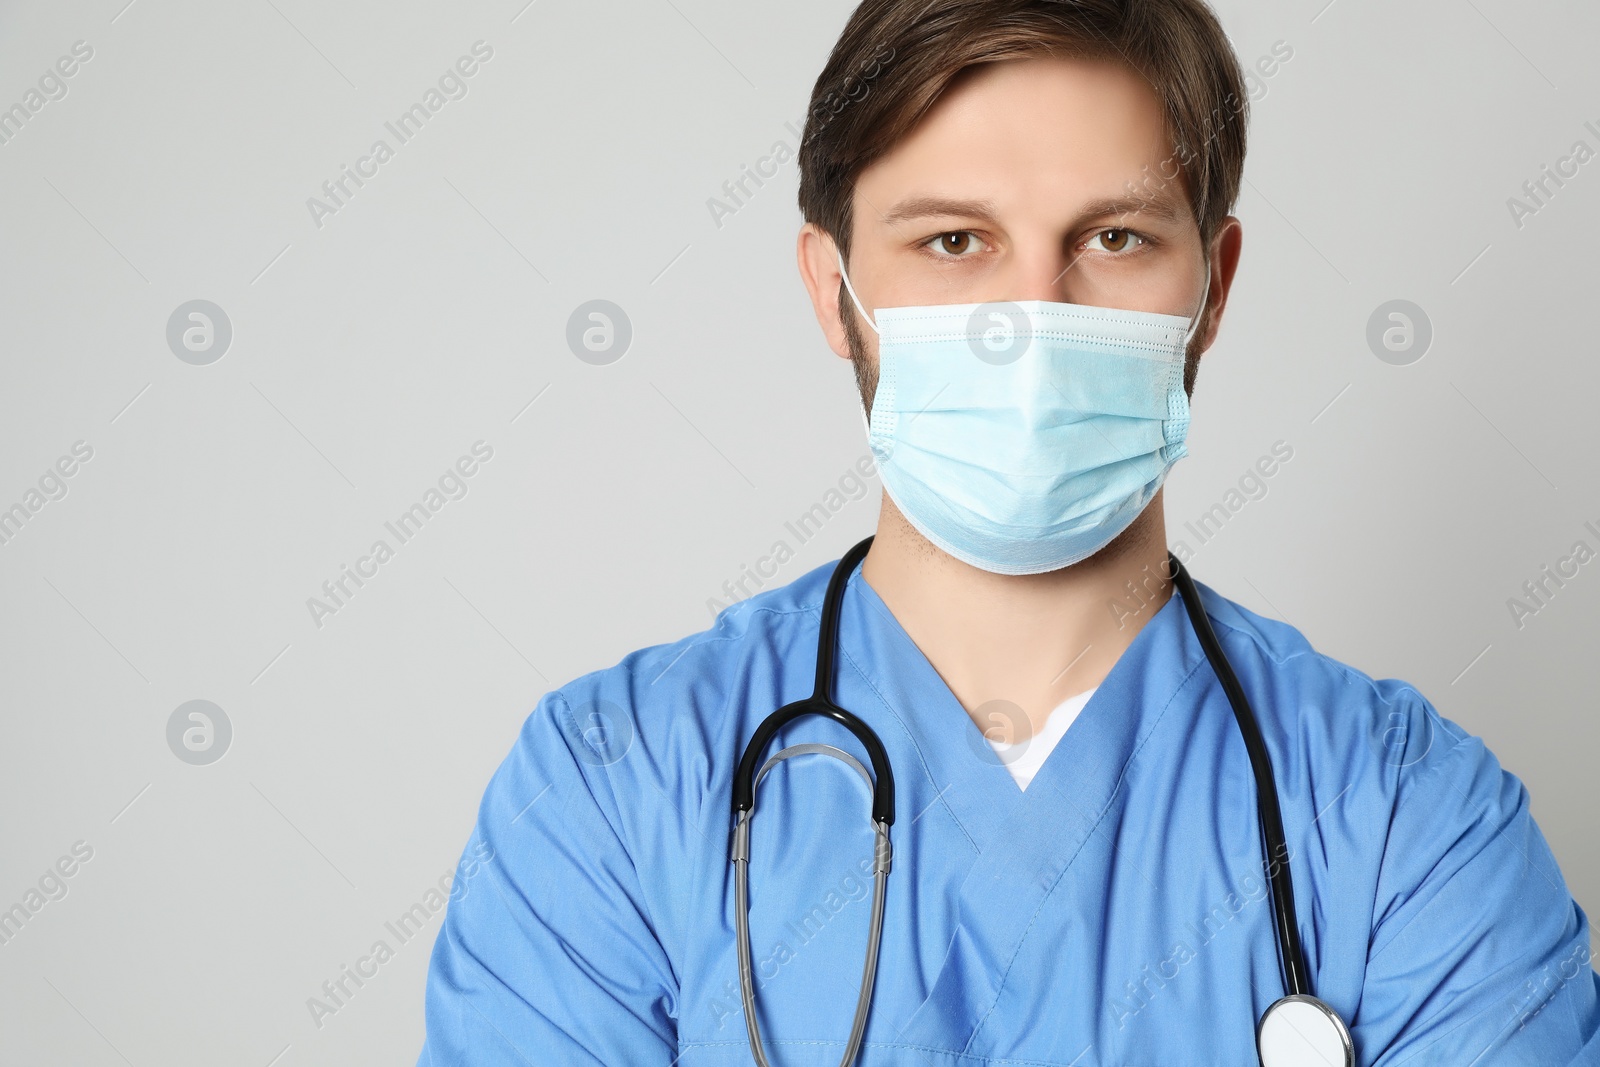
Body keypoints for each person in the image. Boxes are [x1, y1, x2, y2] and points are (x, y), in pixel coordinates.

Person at [415, 1, 1600, 1063]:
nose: (1028, 316)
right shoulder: (617, 787)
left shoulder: (1401, 813)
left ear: (1214, 288)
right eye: (952, 240)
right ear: (834, 292)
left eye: (1114, 238)